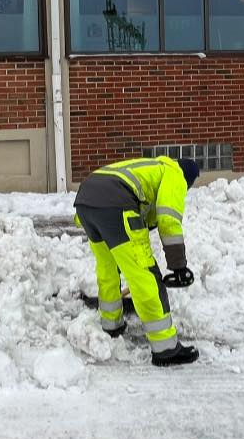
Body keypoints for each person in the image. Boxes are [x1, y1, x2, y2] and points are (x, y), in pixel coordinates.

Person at [74, 156, 200, 367]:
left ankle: (111, 324)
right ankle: (165, 348)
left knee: (108, 269)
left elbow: (148, 213)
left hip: (86, 201)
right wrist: (179, 266)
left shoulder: (151, 168)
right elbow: (168, 219)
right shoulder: (175, 174)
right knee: (145, 275)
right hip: (115, 204)